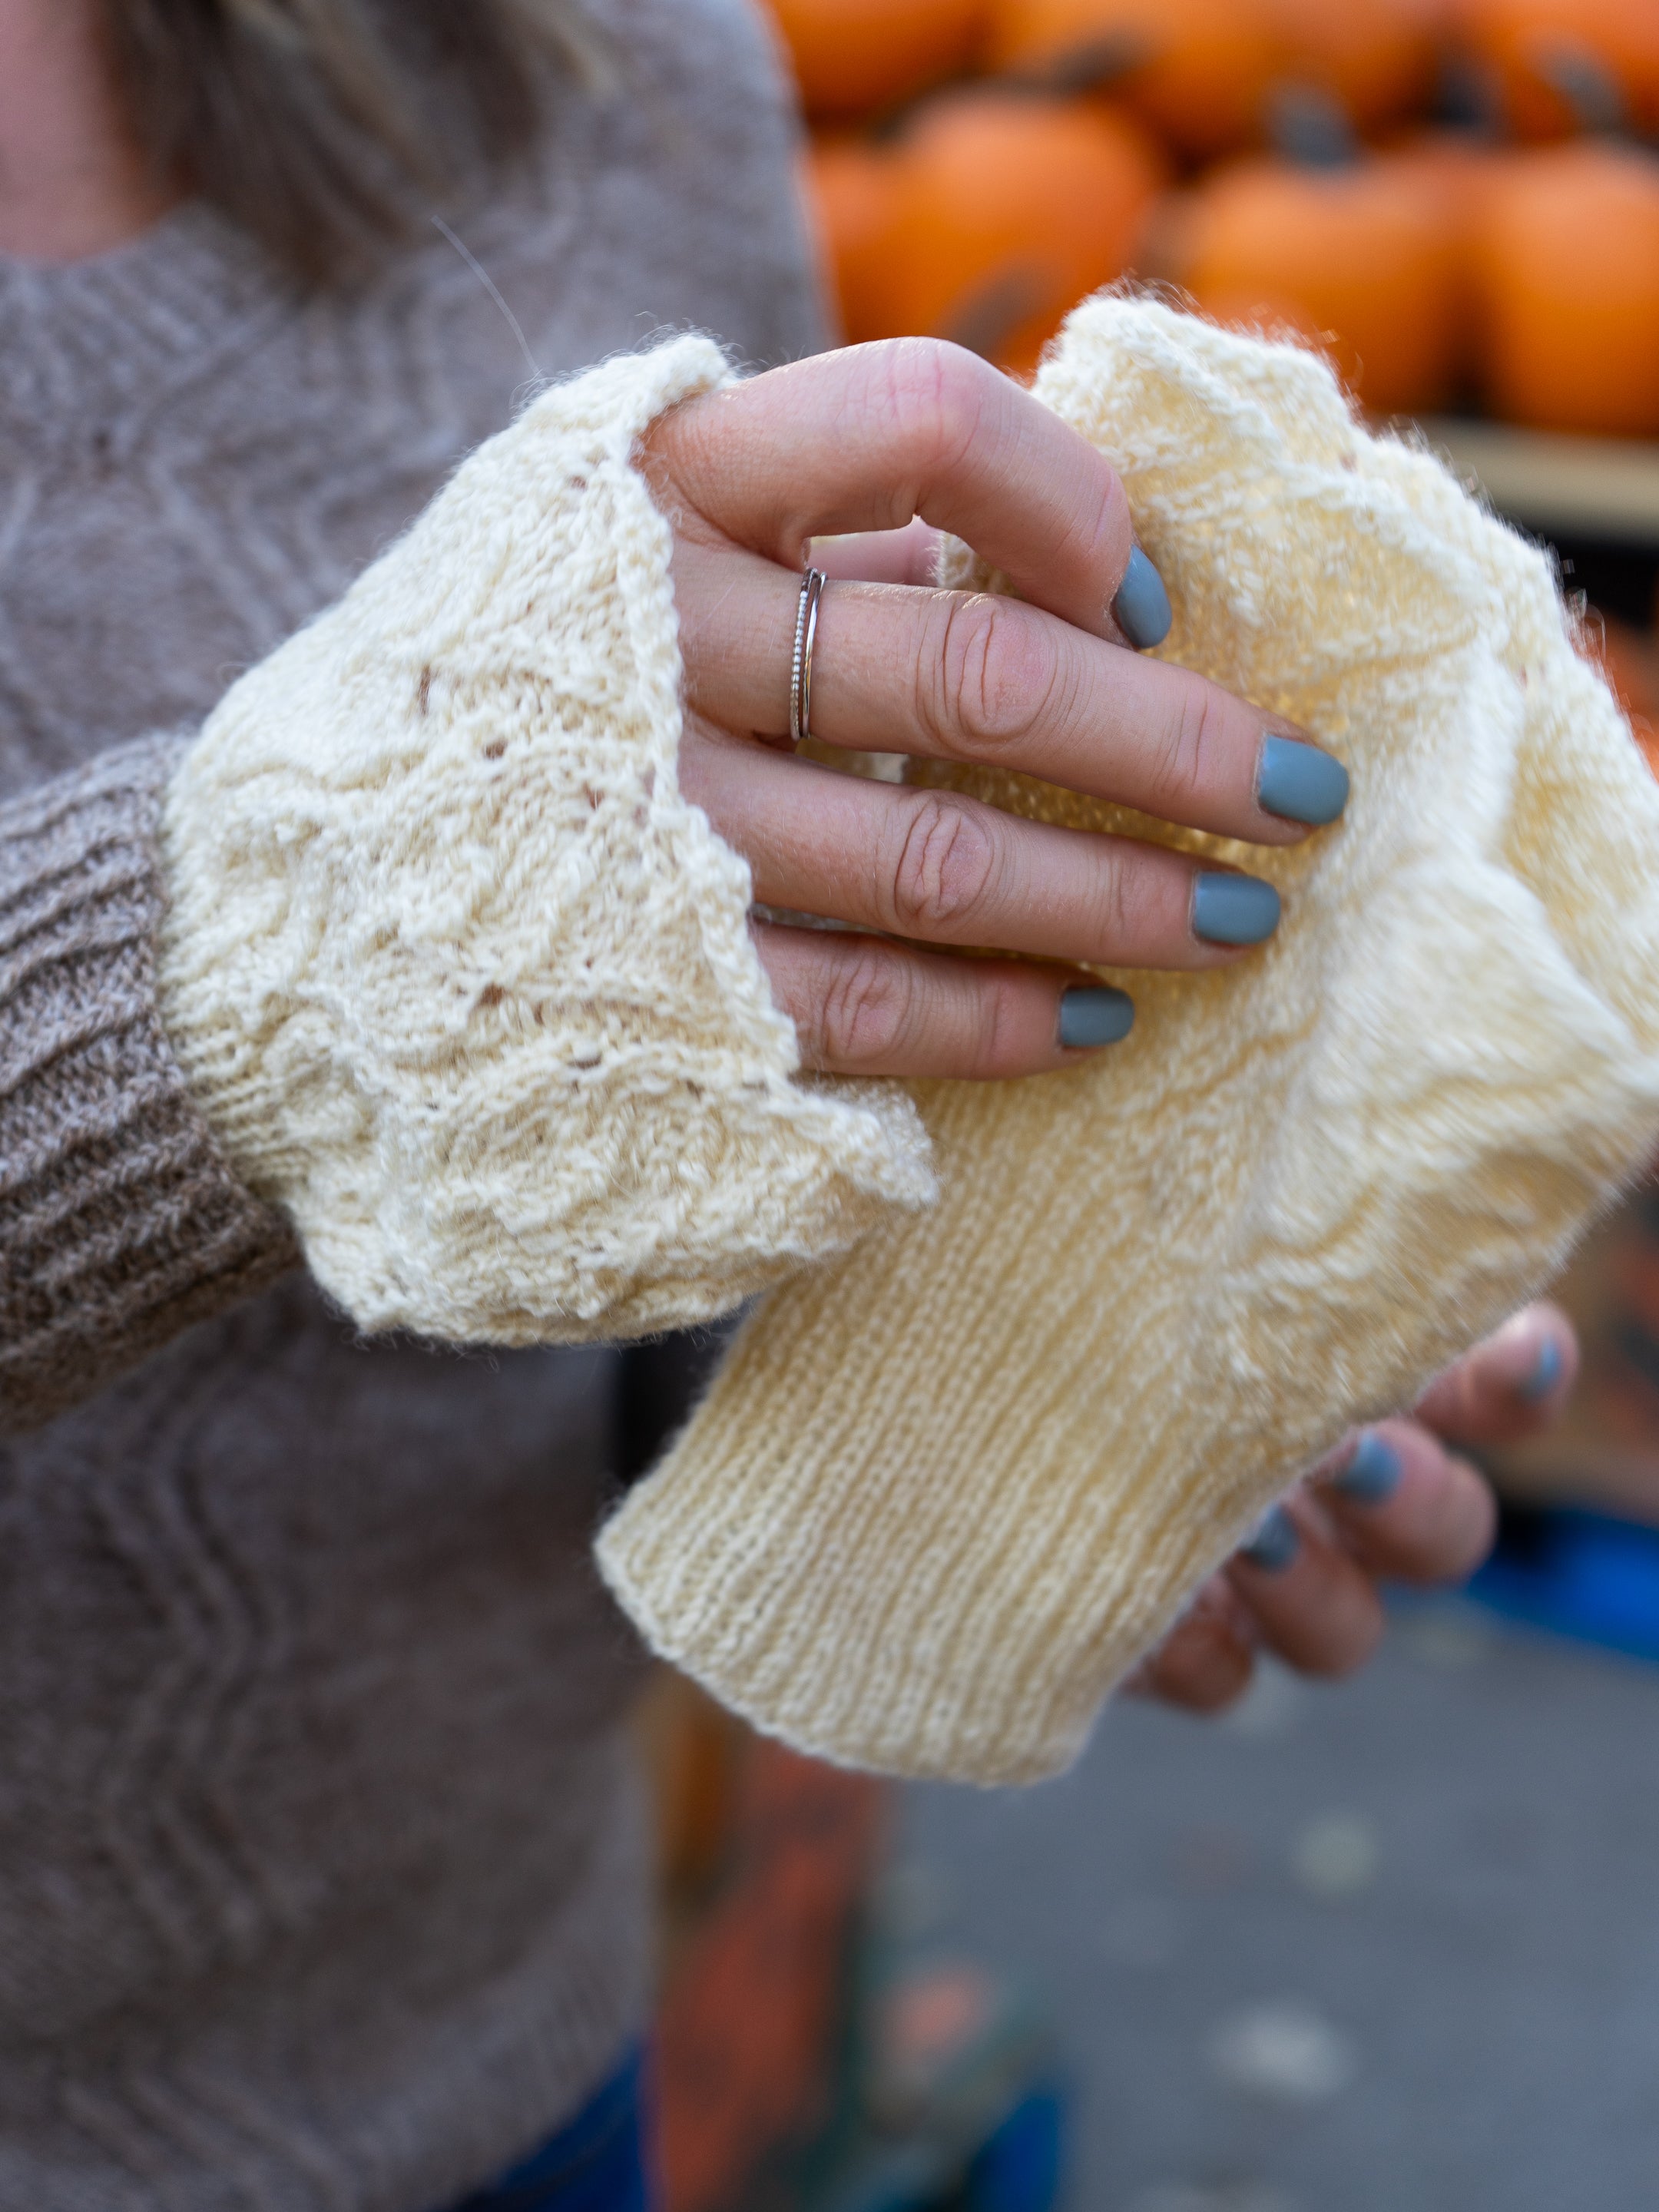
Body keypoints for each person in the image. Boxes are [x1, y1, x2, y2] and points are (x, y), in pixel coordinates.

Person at [0, 2, 1580, 2207]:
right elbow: (376, 949)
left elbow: (675, 1018)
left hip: (506, 2035)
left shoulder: (609, 58)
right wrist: (220, 970)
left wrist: (982, 1369)